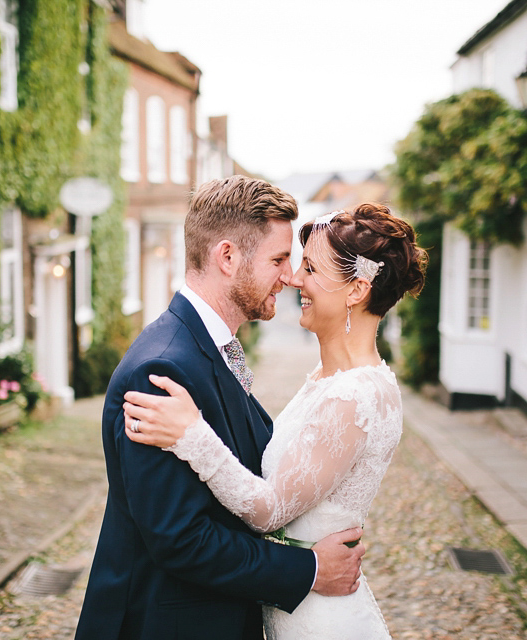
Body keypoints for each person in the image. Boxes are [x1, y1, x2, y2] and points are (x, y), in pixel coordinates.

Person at [74, 176, 366, 640]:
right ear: (227, 257)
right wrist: (307, 569)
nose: (290, 276)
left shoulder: (209, 348)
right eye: (278, 259)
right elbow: (181, 539)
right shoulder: (161, 369)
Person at [123, 203, 428, 639]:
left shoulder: (356, 395)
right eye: (285, 262)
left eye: (311, 268)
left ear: (357, 291)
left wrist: (193, 435)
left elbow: (269, 511)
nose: (295, 279)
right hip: (289, 604)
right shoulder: (327, 380)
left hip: (319, 620)